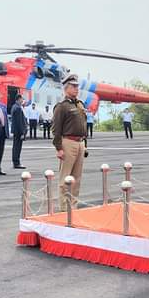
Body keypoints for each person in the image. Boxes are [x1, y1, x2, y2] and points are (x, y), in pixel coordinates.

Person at [52, 74, 88, 211]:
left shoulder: (79, 104)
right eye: (73, 86)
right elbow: (56, 129)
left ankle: (73, 207)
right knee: (65, 178)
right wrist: (58, 148)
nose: (76, 89)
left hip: (79, 143)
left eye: (77, 86)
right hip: (68, 142)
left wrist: (85, 145)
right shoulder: (62, 107)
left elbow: (83, 125)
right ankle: (64, 209)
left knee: (76, 179)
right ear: (66, 88)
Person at [10, 97, 27, 169]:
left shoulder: (14, 107)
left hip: (15, 131)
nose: (22, 101)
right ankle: (16, 163)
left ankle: (15, 162)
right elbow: (19, 122)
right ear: (17, 100)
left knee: (15, 147)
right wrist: (22, 133)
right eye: (21, 100)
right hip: (18, 132)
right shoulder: (18, 108)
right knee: (17, 147)